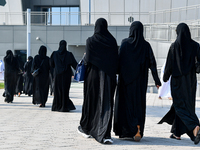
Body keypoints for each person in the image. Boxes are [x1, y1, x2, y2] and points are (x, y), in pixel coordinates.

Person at [113, 21, 161, 142]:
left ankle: (126, 130)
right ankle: (138, 128)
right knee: (138, 105)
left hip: (125, 83)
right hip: (140, 83)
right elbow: (153, 64)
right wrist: (157, 81)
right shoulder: (146, 46)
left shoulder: (124, 44)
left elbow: (118, 62)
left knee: (126, 106)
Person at [77, 18, 118, 144]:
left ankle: (87, 128)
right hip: (109, 77)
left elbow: (88, 60)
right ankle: (105, 133)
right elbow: (116, 60)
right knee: (107, 103)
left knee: (91, 101)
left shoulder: (90, 41)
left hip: (93, 76)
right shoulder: (112, 41)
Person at [158, 23, 200, 145]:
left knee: (179, 106)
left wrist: (165, 78)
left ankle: (194, 126)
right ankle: (177, 132)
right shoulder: (195, 46)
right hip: (191, 82)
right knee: (187, 105)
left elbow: (169, 65)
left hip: (177, 82)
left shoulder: (174, 46)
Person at [50, 40, 77, 112]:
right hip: (66, 76)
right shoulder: (69, 54)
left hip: (57, 75)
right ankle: (64, 106)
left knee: (57, 91)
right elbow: (75, 65)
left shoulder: (54, 54)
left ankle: (56, 106)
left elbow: (51, 64)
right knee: (65, 90)